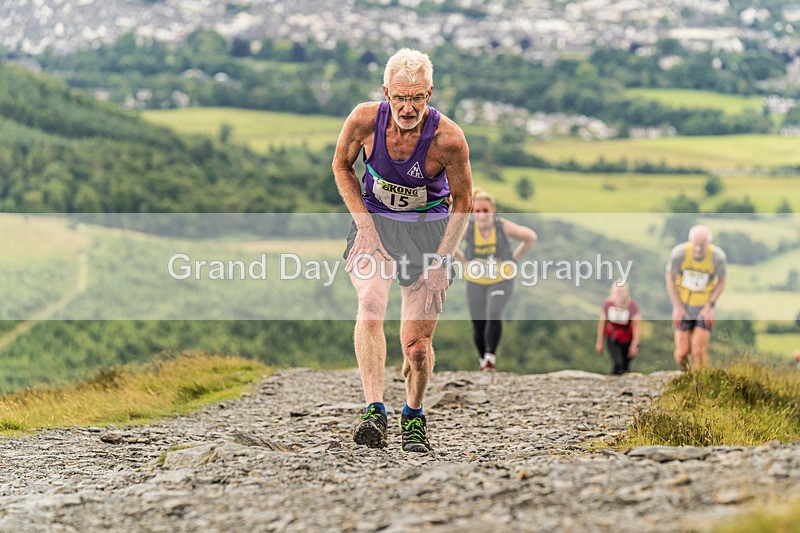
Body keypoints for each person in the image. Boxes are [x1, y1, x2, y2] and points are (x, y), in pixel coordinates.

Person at [332, 48, 472, 453]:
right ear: (385, 92)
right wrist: (364, 225)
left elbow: (463, 199)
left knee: (416, 346)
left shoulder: (448, 139)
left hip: (429, 232)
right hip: (374, 224)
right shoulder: (363, 119)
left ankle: (413, 414)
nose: (407, 108)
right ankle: (374, 410)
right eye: (399, 97)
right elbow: (342, 166)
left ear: (430, 93)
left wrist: (443, 260)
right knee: (371, 307)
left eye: (417, 98)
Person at [454, 188, 537, 371]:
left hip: (501, 279)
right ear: (472, 212)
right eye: (477, 211)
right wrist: (464, 261)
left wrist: (514, 259)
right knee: (478, 323)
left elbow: (530, 237)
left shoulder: (503, 226)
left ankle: (491, 357)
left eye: (485, 210)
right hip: (475, 280)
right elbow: (447, 241)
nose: (482, 215)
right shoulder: (468, 229)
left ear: (493, 210)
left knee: (493, 312)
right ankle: (484, 361)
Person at [665, 224, 727, 371]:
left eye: (702, 245)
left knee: (698, 350)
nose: (698, 249)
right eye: (695, 245)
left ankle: (702, 383)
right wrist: (677, 307)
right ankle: (687, 377)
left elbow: (722, 281)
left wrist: (710, 306)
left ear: (709, 243)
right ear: (689, 241)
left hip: (703, 306)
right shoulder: (679, 254)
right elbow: (670, 278)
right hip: (683, 305)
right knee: (682, 352)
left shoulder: (717, 257)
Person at [595, 281, 641, 375]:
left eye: (621, 291)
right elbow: (603, 323)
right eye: (617, 291)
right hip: (613, 337)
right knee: (618, 363)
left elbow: (637, 326)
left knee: (625, 367)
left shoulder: (632, 306)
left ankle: (623, 387)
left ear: (626, 292)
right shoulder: (608, 304)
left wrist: (634, 344)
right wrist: (599, 342)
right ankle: (613, 382)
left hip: (627, 339)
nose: (619, 293)